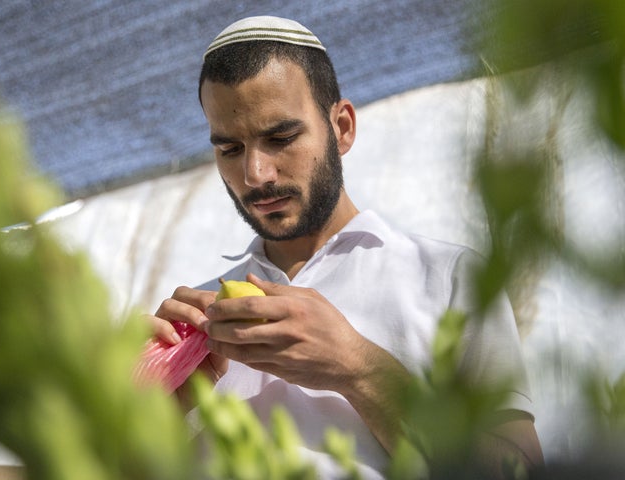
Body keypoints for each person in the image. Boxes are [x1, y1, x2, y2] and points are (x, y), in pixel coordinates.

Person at [149, 15, 543, 479]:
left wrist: (356, 366)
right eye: (229, 149)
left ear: (342, 128)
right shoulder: (198, 321)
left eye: (280, 138)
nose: (256, 173)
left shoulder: (450, 277)